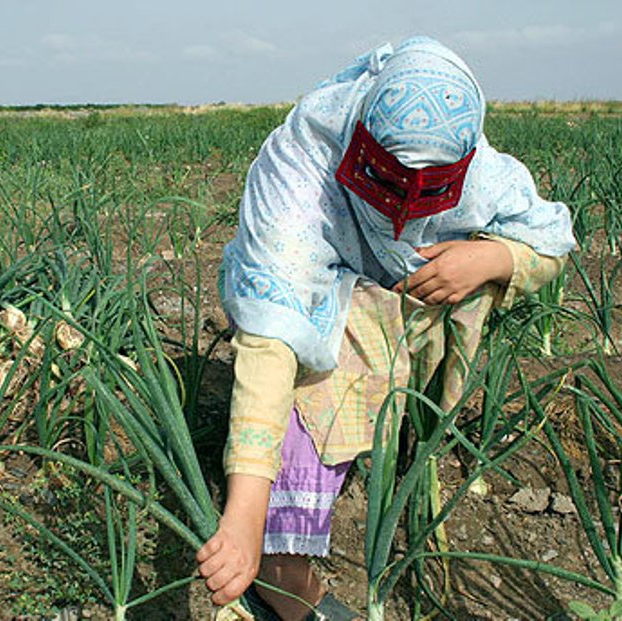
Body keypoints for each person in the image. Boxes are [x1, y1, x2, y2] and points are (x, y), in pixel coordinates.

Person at [196, 36, 576, 620]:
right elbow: (270, 337)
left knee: (469, 276)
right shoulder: (302, 165)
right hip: (320, 310)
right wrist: (244, 515)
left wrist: (491, 259)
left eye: (425, 191)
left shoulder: (479, 170)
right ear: (363, 146)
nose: (402, 209)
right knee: (325, 349)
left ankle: (404, 432)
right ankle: (280, 560)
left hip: (407, 314)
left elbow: (550, 242)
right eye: (390, 182)